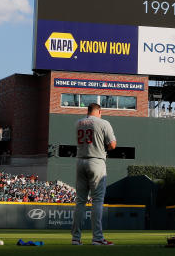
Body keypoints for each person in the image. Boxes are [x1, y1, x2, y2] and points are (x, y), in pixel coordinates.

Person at [71, 103, 117, 245]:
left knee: (80, 201)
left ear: (88, 111)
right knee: (97, 200)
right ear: (99, 111)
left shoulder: (78, 123)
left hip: (80, 161)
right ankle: (97, 237)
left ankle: (76, 238)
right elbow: (112, 145)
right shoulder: (103, 122)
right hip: (96, 161)